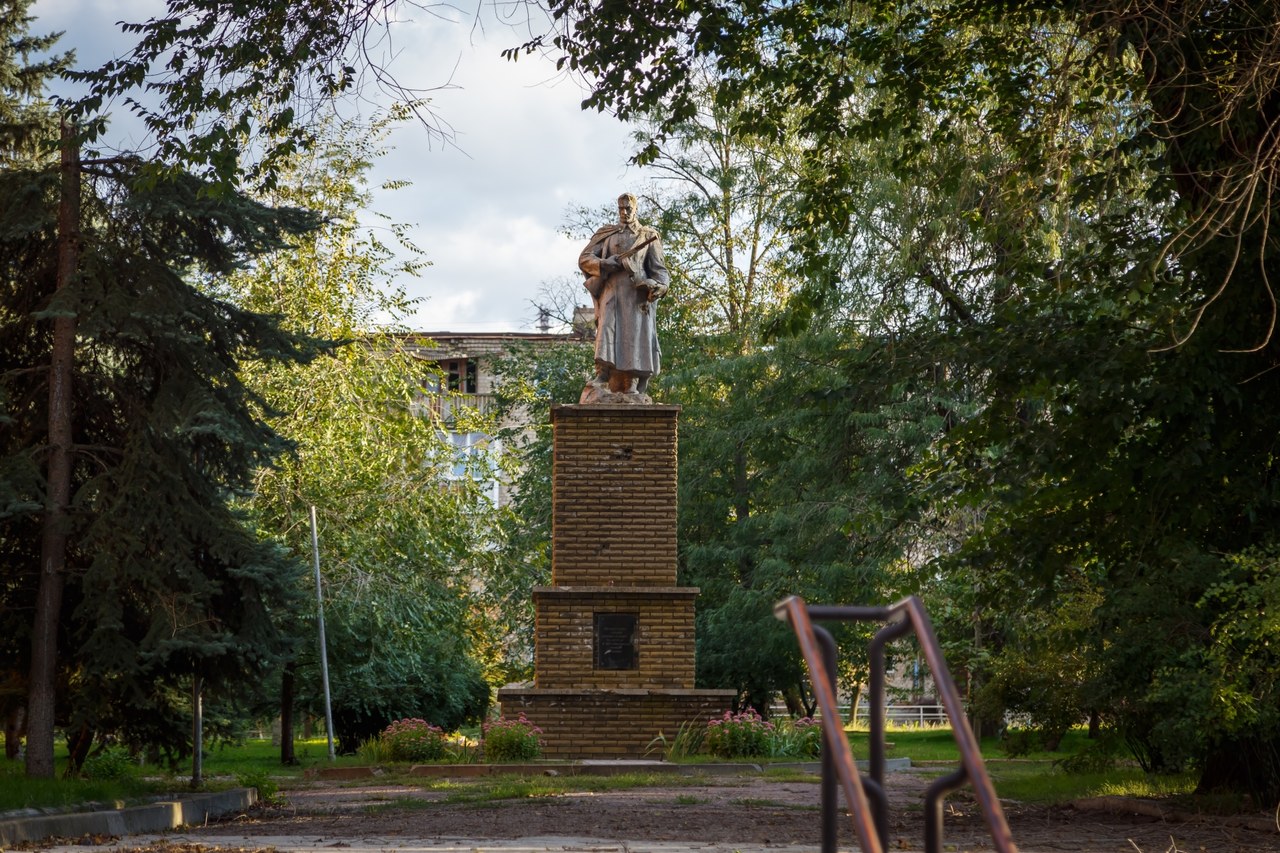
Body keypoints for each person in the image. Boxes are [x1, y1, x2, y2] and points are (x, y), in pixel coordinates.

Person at [578, 193, 670, 400]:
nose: (624, 212)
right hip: (611, 293)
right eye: (621, 208)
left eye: (628, 208)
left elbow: (660, 270)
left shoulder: (648, 235)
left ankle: (632, 383)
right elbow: (584, 258)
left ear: (635, 209)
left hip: (637, 297)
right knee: (607, 330)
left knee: (635, 335)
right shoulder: (607, 233)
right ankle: (602, 375)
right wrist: (603, 264)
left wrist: (659, 286)